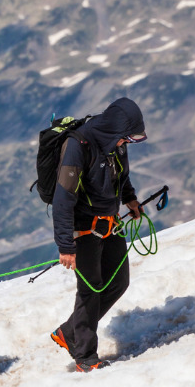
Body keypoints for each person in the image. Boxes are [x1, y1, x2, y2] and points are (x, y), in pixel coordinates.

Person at [50, 98, 146, 371]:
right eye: (125, 138)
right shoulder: (78, 145)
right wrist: (66, 245)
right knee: (90, 290)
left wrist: (130, 200)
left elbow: (121, 176)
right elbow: (63, 198)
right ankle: (86, 357)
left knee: (118, 281)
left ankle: (70, 332)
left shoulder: (116, 144)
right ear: (115, 130)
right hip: (84, 227)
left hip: (110, 222)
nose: (126, 143)